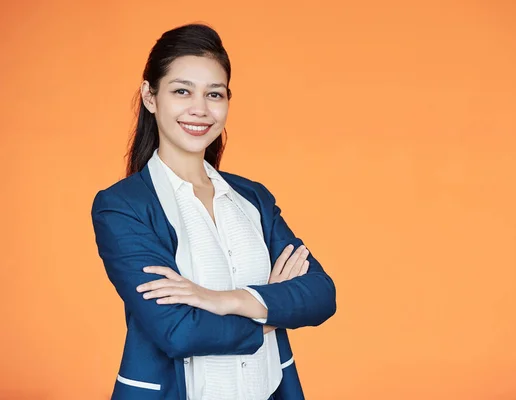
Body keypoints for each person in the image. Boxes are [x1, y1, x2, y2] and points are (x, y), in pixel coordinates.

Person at [91, 23, 336, 400]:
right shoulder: (123, 207)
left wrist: (225, 299)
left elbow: (320, 294)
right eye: (182, 91)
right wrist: (272, 304)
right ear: (150, 96)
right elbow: (177, 331)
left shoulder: (252, 198)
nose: (200, 109)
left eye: (215, 94)